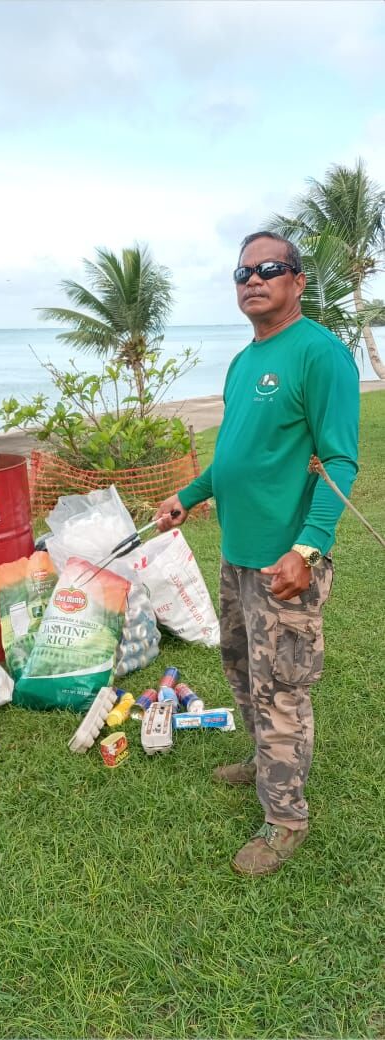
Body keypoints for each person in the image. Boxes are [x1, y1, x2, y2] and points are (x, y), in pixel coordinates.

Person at [155, 231, 359, 877]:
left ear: (298, 280)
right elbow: (234, 453)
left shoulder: (320, 353)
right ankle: (263, 760)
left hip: (283, 564)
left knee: (282, 689)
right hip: (237, 555)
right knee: (241, 667)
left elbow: (342, 459)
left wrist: (309, 547)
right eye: (242, 272)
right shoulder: (245, 362)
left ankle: (286, 820)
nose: (253, 280)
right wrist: (188, 495)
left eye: (269, 268)